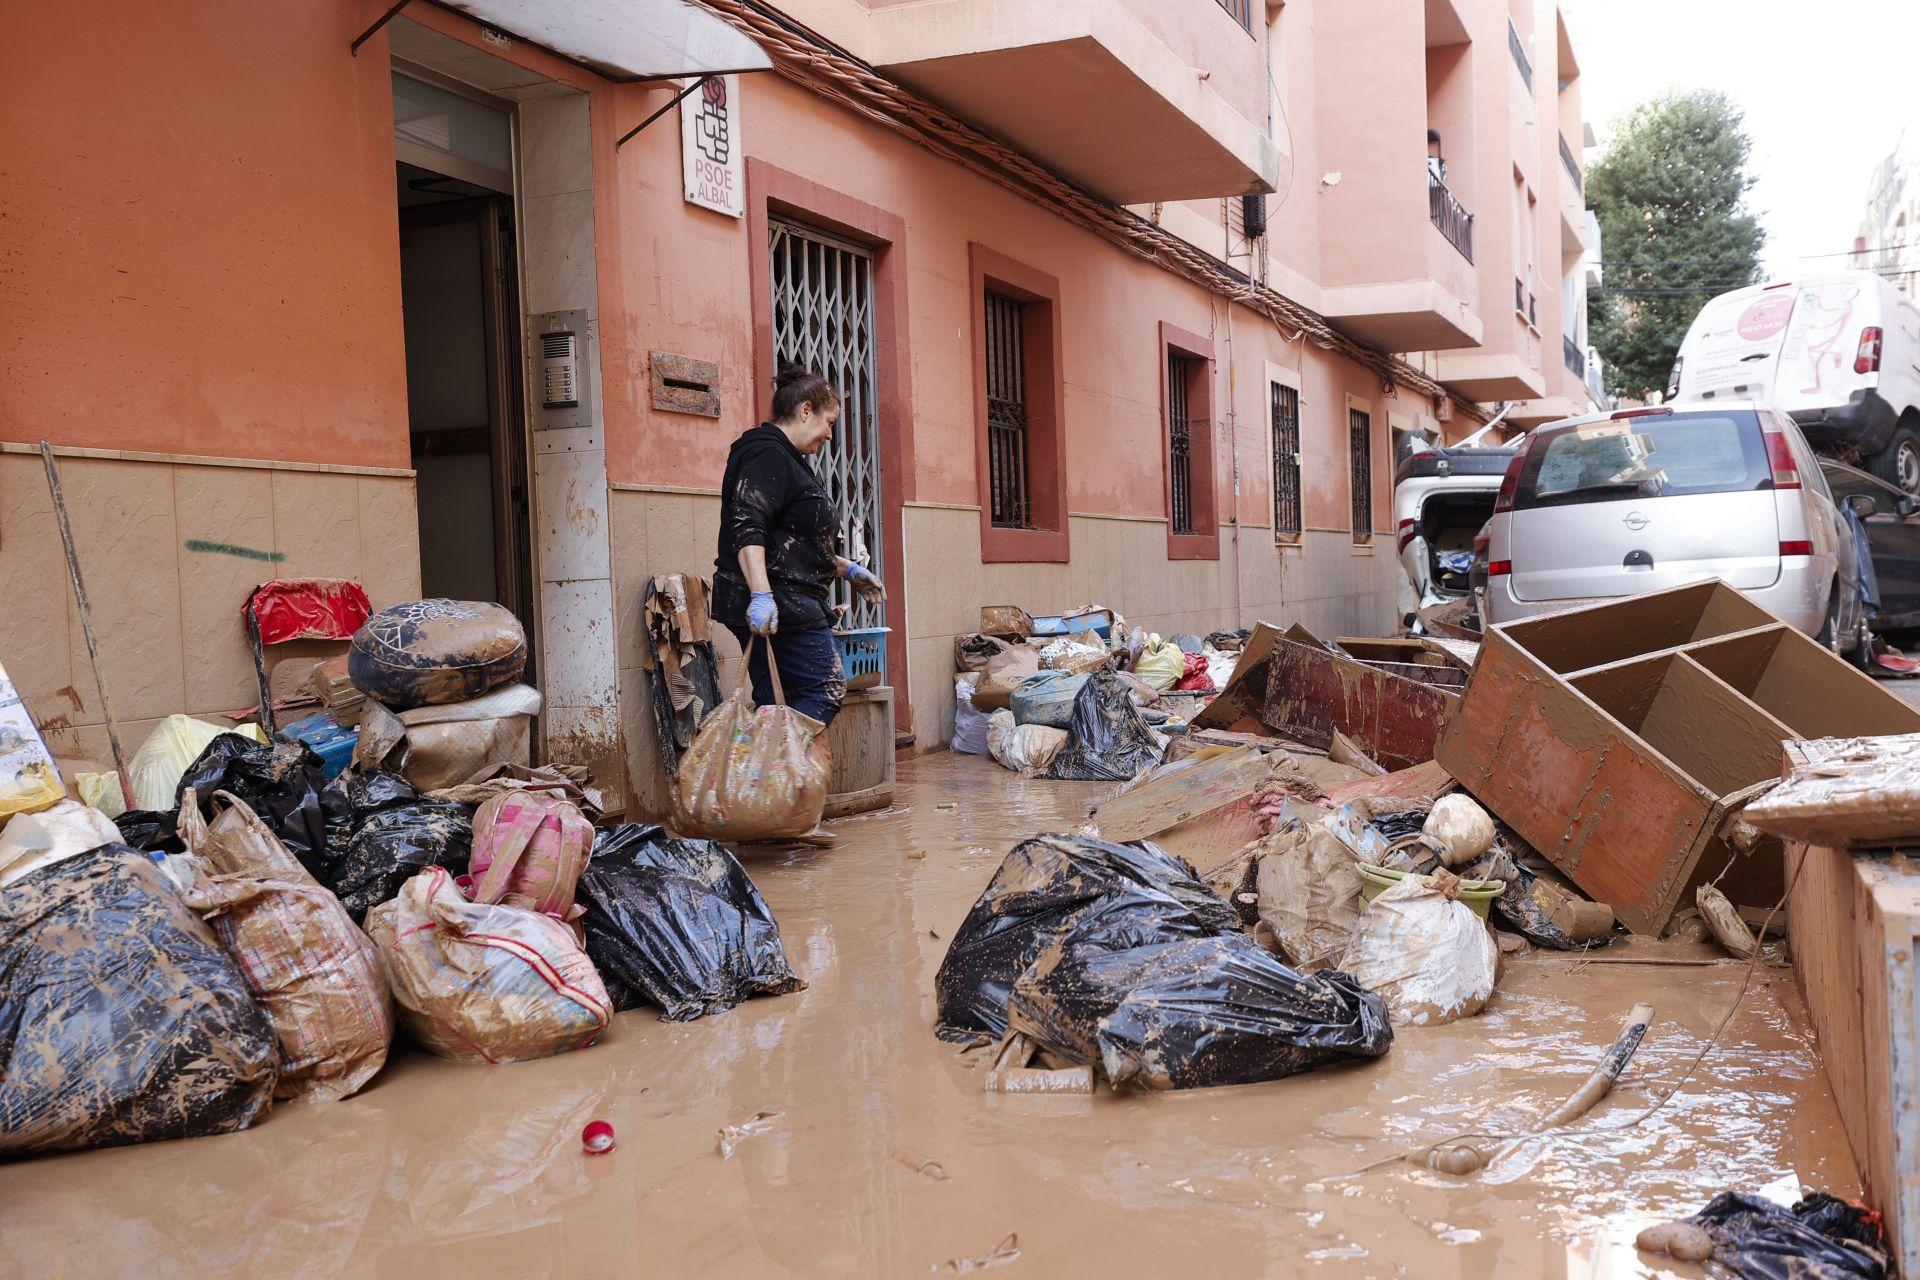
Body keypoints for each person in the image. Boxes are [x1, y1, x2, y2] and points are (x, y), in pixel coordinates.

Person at [711, 362, 886, 729]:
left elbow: (787, 540)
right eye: (830, 422)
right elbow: (747, 526)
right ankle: (779, 774)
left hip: (784, 597)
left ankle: (773, 779)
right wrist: (762, 595)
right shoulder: (766, 453)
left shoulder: (788, 457)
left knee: (779, 700)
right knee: (825, 690)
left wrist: (846, 569)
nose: (829, 435)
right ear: (806, 410)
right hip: (779, 600)